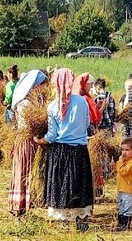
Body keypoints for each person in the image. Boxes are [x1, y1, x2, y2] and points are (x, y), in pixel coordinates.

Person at [39, 67, 94, 229]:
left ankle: (64, 222)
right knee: (79, 184)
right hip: (79, 150)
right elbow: (87, 124)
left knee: (62, 183)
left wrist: (40, 140)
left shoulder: (52, 106)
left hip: (60, 151)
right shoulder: (82, 102)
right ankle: (81, 221)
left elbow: (52, 135)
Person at [7, 69, 46, 218]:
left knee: (28, 171)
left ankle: (25, 205)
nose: (43, 88)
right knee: (24, 170)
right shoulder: (25, 104)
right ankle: (19, 206)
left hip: (29, 140)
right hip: (26, 141)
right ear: (35, 85)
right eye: (42, 85)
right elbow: (26, 126)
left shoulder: (30, 102)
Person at [114, 137, 132, 230]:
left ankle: (126, 225)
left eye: (127, 150)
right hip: (120, 189)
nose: (124, 152)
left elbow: (123, 172)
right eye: (122, 150)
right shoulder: (124, 161)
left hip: (127, 190)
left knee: (127, 208)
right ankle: (120, 223)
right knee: (120, 207)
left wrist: (119, 162)